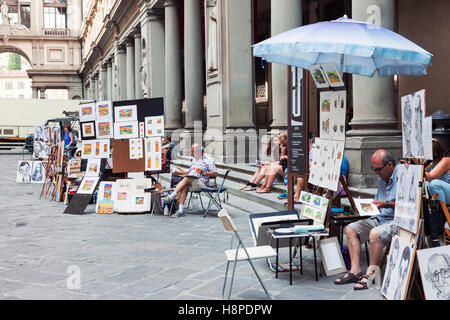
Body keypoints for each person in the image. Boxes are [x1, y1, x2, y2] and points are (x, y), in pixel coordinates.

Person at [334, 149, 398, 290]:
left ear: (389, 164)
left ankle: (372, 274)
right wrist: (366, 207)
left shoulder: (403, 176)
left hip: (396, 220)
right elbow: (377, 200)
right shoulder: (382, 177)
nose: (376, 173)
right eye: (373, 169)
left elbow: (409, 204)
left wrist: (386, 204)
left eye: (378, 169)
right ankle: (355, 271)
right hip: (379, 217)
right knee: (351, 229)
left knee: (375, 233)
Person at [164, 144, 218, 218]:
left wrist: (204, 172)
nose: (192, 154)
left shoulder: (208, 160)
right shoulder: (194, 159)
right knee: (184, 185)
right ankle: (180, 211)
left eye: (193, 152)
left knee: (187, 179)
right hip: (191, 181)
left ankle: (171, 196)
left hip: (202, 183)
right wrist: (180, 173)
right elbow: (190, 173)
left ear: (199, 152)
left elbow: (215, 174)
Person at [424, 138, 450, 247]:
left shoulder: (446, 160)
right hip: (442, 194)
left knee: (434, 184)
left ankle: (442, 216)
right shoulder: (432, 163)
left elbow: (431, 176)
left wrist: (417, 167)